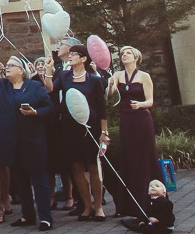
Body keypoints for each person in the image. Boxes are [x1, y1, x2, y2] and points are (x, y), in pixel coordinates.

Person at [0, 57, 54, 229]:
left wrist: (36, 112)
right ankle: (27, 215)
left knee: (39, 180)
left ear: (21, 70)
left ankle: (45, 217)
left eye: (11, 66)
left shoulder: (34, 86)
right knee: (21, 180)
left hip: (33, 141)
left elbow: (49, 107)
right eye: (7, 66)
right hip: (12, 142)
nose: (7, 68)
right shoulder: (2, 86)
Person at [46, 44, 109, 221]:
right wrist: (49, 71)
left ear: (83, 59)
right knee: (76, 167)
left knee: (93, 167)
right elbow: (50, 88)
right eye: (70, 53)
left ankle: (98, 207)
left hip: (91, 128)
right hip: (70, 127)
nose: (71, 56)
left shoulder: (94, 80)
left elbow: (102, 108)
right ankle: (86, 206)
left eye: (75, 54)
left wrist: (104, 132)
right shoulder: (65, 77)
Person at [109, 47, 158, 220]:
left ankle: (149, 199)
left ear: (136, 57)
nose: (124, 56)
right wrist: (109, 85)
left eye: (128, 53)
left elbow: (150, 101)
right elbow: (110, 96)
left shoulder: (144, 76)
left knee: (145, 157)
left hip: (142, 120)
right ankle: (127, 205)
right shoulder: (117, 76)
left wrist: (141, 105)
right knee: (129, 157)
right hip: (126, 120)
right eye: (122, 54)